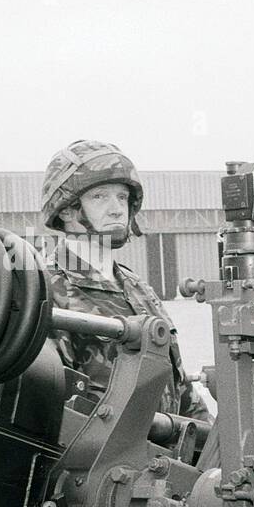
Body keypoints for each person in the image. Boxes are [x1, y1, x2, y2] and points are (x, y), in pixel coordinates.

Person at [41, 140, 208, 421]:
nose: (117, 209)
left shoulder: (137, 287)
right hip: (103, 460)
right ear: (67, 210)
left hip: (170, 458)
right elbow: (57, 408)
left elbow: (181, 390)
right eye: (100, 197)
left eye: (122, 197)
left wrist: (213, 450)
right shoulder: (47, 289)